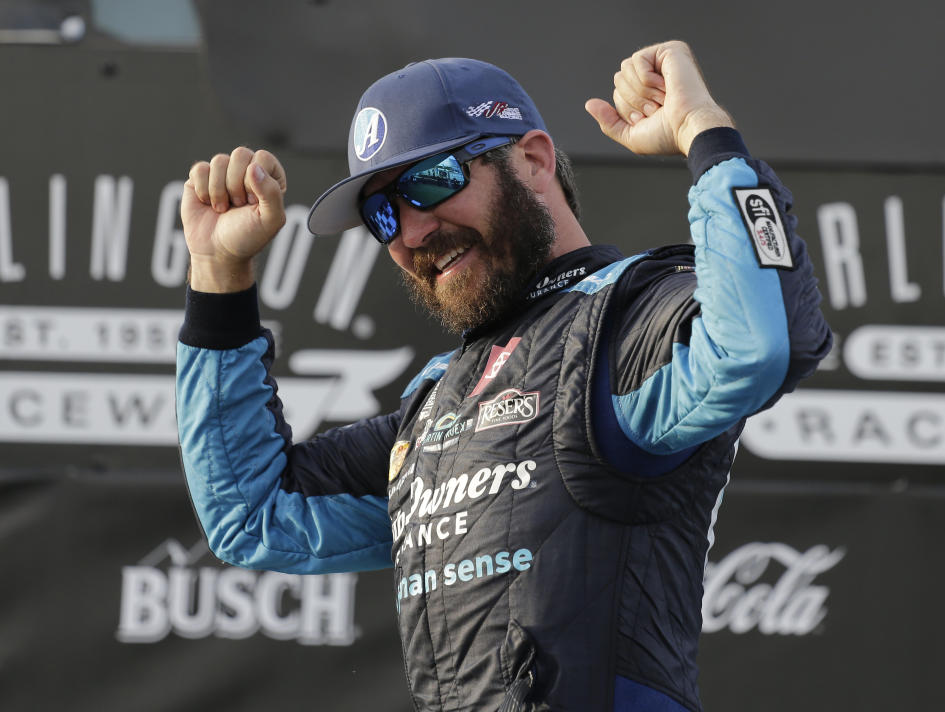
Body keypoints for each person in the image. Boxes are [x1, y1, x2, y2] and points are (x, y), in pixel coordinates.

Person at [176, 41, 831, 712]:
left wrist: (705, 133)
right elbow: (252, 514)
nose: (411, 230)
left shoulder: (629, 317)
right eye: (382, 214)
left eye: (430, 182)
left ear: (533, 160)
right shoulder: (436, 400)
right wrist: (218, 277)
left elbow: (764, 340)